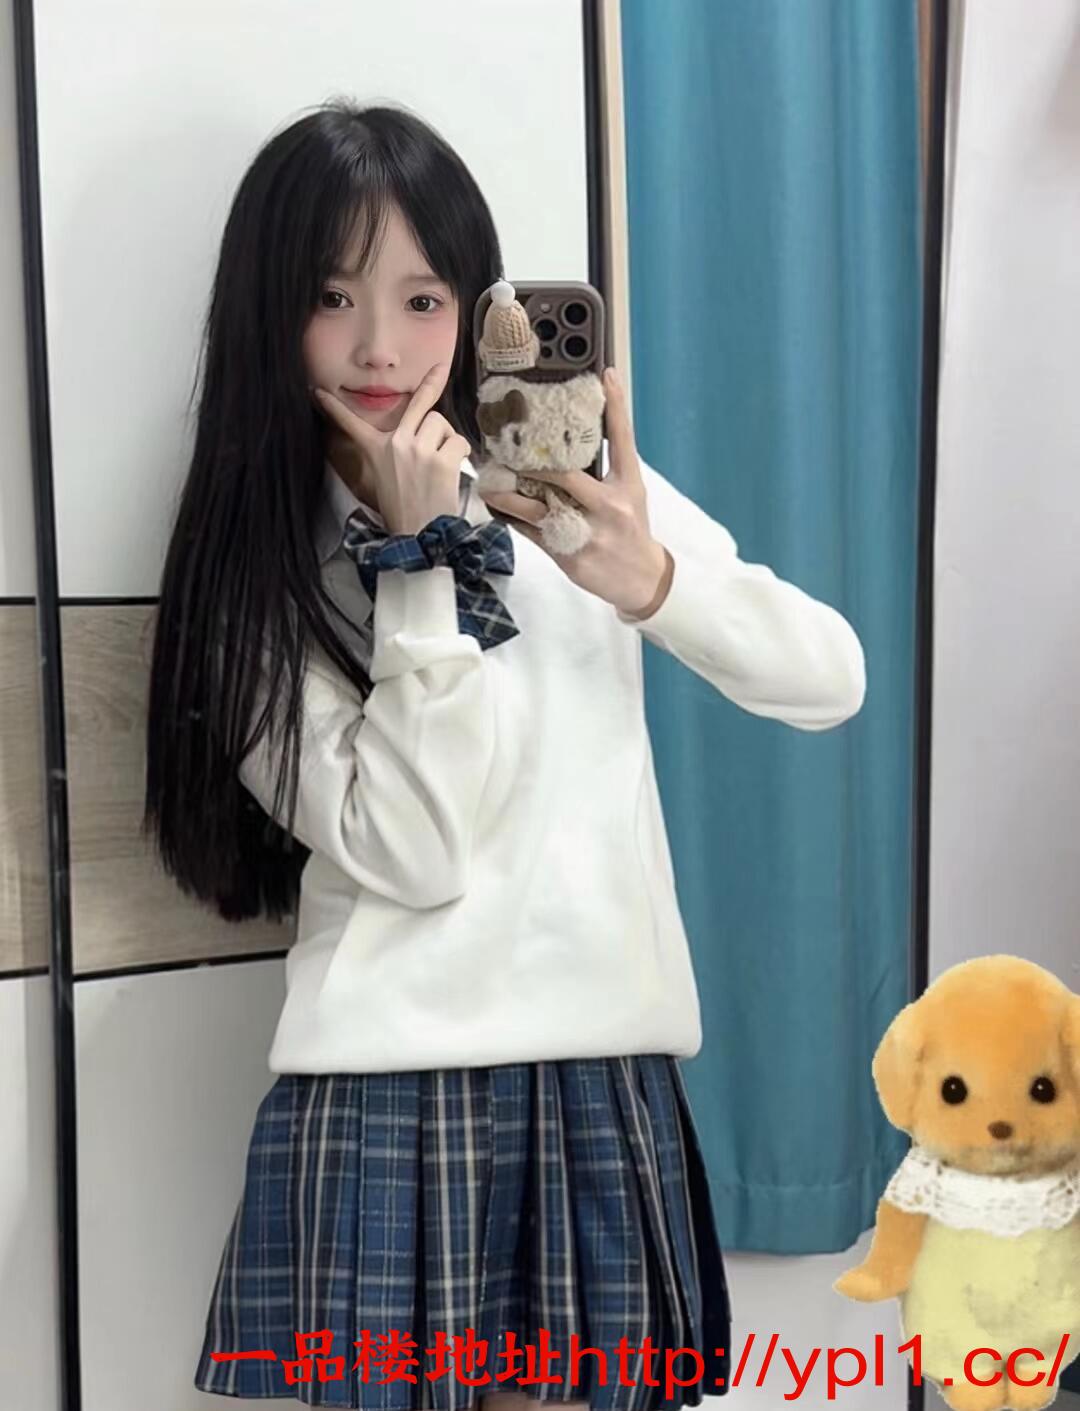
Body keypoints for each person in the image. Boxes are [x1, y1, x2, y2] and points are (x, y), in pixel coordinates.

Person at [143, 100, 866, 1410]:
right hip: (383, 1094)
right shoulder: (253, 586)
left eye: (424, 300)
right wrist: (418, 562)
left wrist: (650, 582)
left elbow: (830, 681)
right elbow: (417, 853)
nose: (380, 346)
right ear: (269, 311)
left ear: (479, 311)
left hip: (600, 1073)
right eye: (330, 297)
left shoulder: (568, 495)